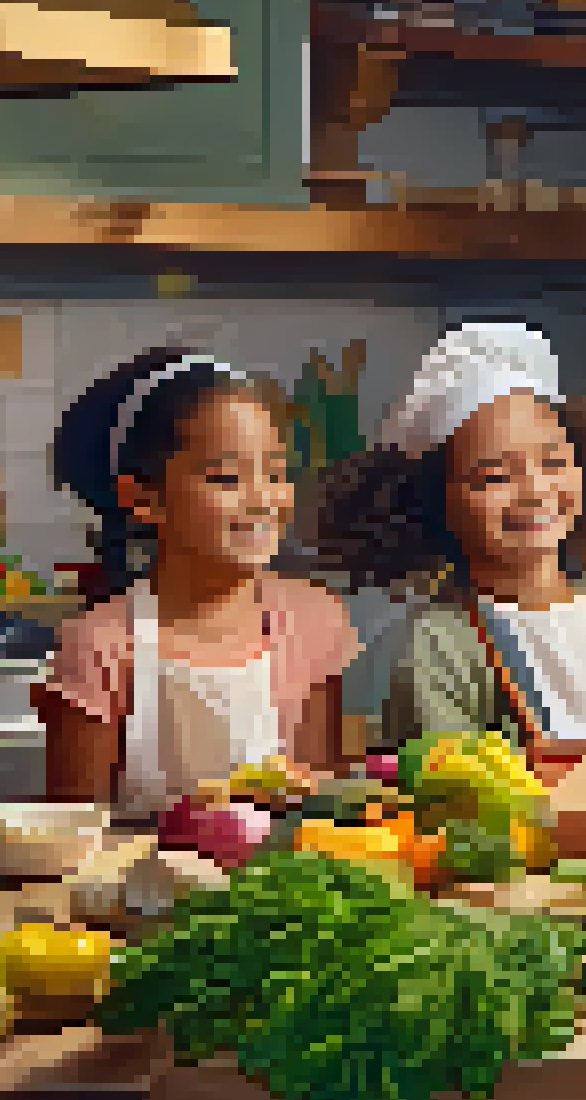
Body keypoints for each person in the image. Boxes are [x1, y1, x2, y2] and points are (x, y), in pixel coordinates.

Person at [306, 322, 586, 781]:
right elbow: (450, 793)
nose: (536, 491)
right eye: (496, 477)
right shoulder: (433, 645)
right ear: (433, 500)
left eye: (554, 462)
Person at [38, 348, 357, 814]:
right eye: (226, 477)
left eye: (276, 473)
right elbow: (74, 837)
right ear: (144, 499)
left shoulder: (315, 619)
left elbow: (322, 807)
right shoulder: (98, 645)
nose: (263, 499)